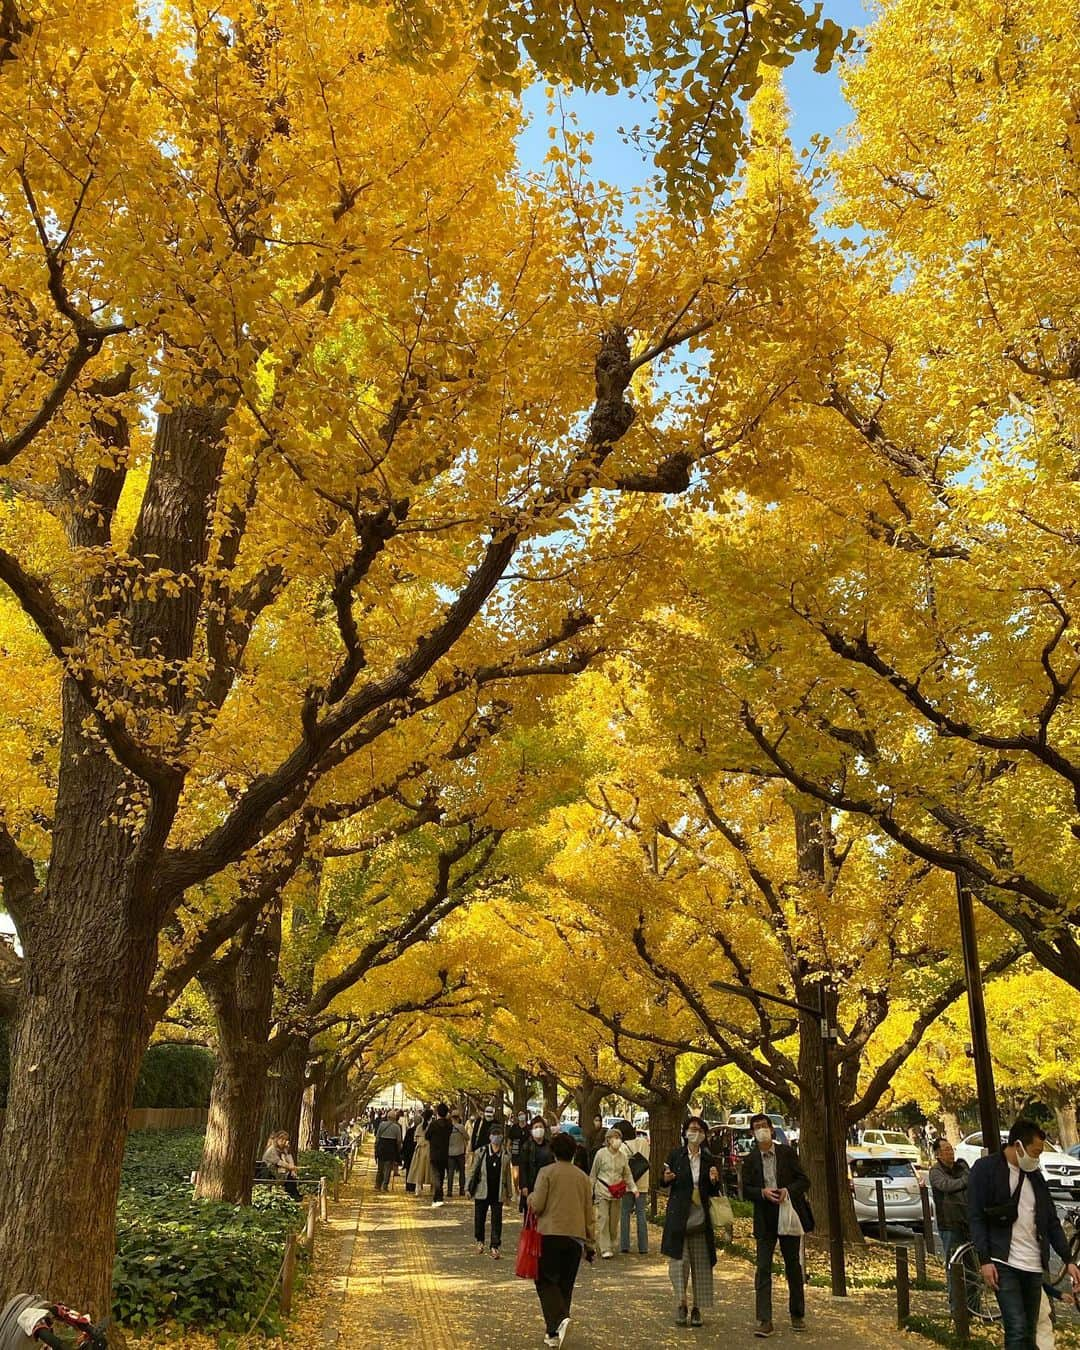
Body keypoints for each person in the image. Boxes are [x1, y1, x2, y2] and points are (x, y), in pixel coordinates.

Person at [969, 1119, 1080, 1350]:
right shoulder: (985, 1169)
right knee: (1017, 1327)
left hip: (1033, 1265)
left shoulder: (1035, 1177)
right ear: (1018, 1145)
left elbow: (1051, 1222)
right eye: (1035, 1152)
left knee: (1029, 1331)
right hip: (1003, 1261)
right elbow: (976, 1216)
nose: (1037, 1158)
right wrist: (985, 1260)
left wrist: (1068, 1260)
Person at [742, 1112, 812, 1337]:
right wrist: (762, 1193)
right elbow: (746, 1190)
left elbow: (804, 1180)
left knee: (793, 1265)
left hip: (788, 1213)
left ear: (772, 1130)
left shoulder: (787, 1153)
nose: (761, 1130)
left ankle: (797, 1314)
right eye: (757, 1127)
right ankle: (764, 1319)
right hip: (765, 1218)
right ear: (753, 1133)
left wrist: (787, 1191)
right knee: (763, 1267)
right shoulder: (750, 1159)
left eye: (764, 1126)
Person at [529, 1130, 597, 1348]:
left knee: (545, 1280)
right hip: (575, 1238)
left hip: (550, 1235)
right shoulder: (583, 1178)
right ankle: (554, 1333)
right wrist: (590, 1244)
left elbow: (537, 1204)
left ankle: (558, 1320)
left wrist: (530, 1197)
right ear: (574, 1152)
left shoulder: (546, 1172)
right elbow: (589, 1212)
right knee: (565, 1285)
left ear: (553, 1152)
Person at [661, 1115, 723, 1328]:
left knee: (701, 1264)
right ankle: (682, 1302)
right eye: (691, 1128)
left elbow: (714, 1190)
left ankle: (697, 1307)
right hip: (679, 1216)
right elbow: (663, 1180)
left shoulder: (708, 1159)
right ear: (685, 1132)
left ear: (704, 1134)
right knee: (679, 1262)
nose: (694, 1132)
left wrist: (714, 1180)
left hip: (701, 1218)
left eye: (698, 1129)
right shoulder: (676, 1156)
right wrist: (666, 1178)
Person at [930, 1137, 970, 1309]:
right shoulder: (935, 1172)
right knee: (954, 1265)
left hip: (967, 1222)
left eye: (951, 1149)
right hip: (949, 1224)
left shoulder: (961, 1168)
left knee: (972, 1267)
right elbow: (946, 1186)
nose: (950, 1153)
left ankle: (973, 1307)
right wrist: (966, 1180)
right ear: (938, 1154)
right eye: (946, 1150)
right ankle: (956, 1307)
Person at [589, 1127, 638, 1259]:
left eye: (619, 1138)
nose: (617, 1140)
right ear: (608, 1140)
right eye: (614, 1138)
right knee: (603, 1219)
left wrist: (633, 1188)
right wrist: (590, 1190)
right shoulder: (600, 1154)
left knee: (613, 1221)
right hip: (602, 1191)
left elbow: (627, 1174)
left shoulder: (623, 1157)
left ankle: (610, 1242)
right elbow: (593, 1173)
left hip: (617, 1193)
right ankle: (605, 1248)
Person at [468, 1124, 515, 1257]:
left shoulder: (505, 1155)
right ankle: (479, 1241)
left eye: (499, 1135)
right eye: (494, 1134)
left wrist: (509, 1194)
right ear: (489, 1137)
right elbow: (473, 1171)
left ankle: (495, 1246)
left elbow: (507, 1176)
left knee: (496, 1220)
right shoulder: (481, 1152)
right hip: (482, 1191)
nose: (496, 1137)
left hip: (497, 1192)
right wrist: (468, 1188)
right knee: (479, 1218)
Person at [621, 1129, 650, 1255]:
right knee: (641, 1214)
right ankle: (643, 1247)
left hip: (628, 1184)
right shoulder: (644, 1142)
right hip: (643, 1183)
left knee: (625, 1214)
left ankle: (625, 1245)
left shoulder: (623, 1147)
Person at [519, 1115, 554, 1211]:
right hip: (531, 1185)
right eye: (536, 1127)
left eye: (541, 1127)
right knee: (530, 1213)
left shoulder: (550, 1146)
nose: (538, 1129)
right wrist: (524, 1185)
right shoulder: (527, 1146)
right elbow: (523, 1167)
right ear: (531, 1130)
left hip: (546, 1185)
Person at [426, 1102, 453, 1208]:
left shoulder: (433, 1124)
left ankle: (438, 1195)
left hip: (434, 1153)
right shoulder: (449, 1125)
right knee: (441, 1175)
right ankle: (438, 1197)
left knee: (436, 1175)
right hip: (445, 1153)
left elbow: (427, 1136)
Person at [263, 1130, 302, 1201]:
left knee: (290, 1175)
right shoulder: (272, 1150)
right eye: (282, 1139)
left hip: (276, 1171)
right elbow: (279, 1162)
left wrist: (287, 1150)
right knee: (289, 1176)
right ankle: (293, 1195)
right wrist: (291, 1167)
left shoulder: (281, 1150)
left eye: (286, 1140)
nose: (284, 1142)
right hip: (270, 1173)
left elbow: (288, 1158)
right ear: (277, 1139)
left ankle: (294, 1194)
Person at [374, 1110, 403, 1193]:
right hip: (391, 1149)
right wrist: (398, 1150)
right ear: (395, 1118)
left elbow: (377, 1137)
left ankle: (377, 1184)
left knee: (380, 1168)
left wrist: (376, 1147)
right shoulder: (397, 1127)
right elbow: (399, 1141)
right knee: (388, 1168)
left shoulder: (382, 1125)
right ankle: (385, 1186)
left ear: (387, 1117)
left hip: (382, 1148)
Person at [407, 1114, 433, 1194]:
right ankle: (432, 1189)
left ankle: (417, 1189)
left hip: (419, 1150)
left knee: (419, 1169)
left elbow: (415, 1139)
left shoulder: (419, 1127)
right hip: (429, 1149)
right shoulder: (431, 1126)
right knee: (430, 1170)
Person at [447, 1108, 468, 1197]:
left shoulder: (448, 1127)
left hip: (450, 1152)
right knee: (462, 1172)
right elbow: (467, 1137)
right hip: (460, 1151)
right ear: (458, 1118)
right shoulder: (461, 1127)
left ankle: (449, 1190)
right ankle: (461, 1189)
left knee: (450, 1172)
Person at [402, 1110, 420, 1193]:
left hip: (409, 1153)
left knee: (409, 1169)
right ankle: (414, 1185)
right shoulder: (421, 1132)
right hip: (416, 1153)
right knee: (416, 1169)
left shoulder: (410, 1131)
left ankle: (409, 1186)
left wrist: (403, 1153)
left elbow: (405, 1143)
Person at [509, 1109, 529, 1177]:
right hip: (516, 1152)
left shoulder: (529, 1127)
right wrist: (508, 1148)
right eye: (520, 1115)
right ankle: (516, 1187)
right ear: (517, 1117)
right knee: (516, 1174)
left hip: (527, 1152)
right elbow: (509, 1139)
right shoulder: (514, 1127)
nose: (521, 1116)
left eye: (523, 1114)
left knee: (525, 1173)